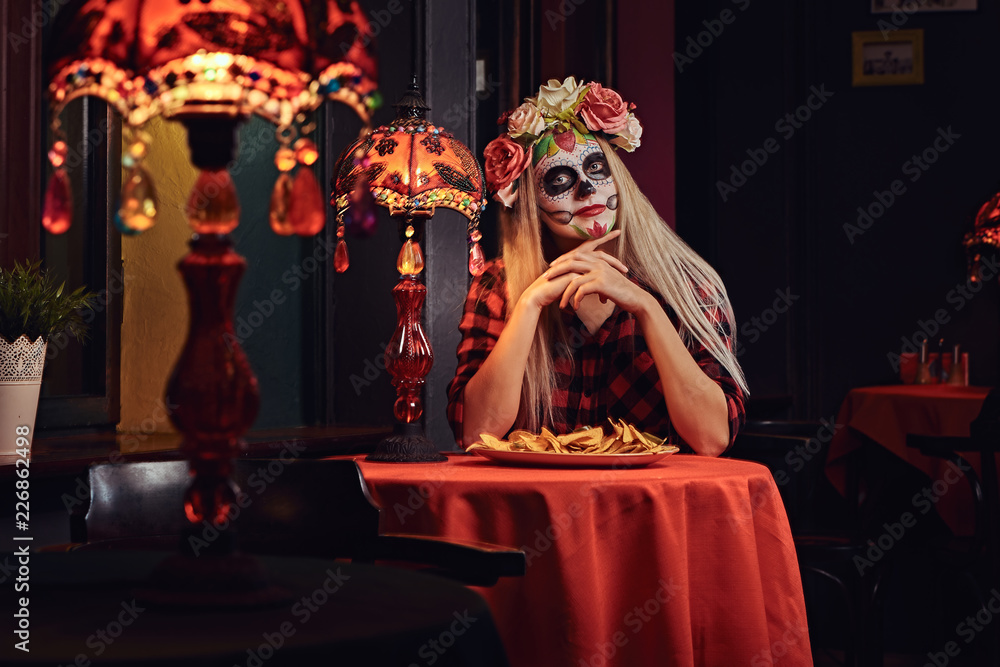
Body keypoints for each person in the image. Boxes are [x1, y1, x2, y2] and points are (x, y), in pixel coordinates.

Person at [447, 77, 748, 457]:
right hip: (539, 510)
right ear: (528, 202)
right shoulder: (496, 286)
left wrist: (645, 307)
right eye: (559, 179)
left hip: (656, 508)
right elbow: (475, 433)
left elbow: (712, 437)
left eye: (596, 167)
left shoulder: (689, 285)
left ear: (619, 179)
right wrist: (529, 304)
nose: (586, 189)